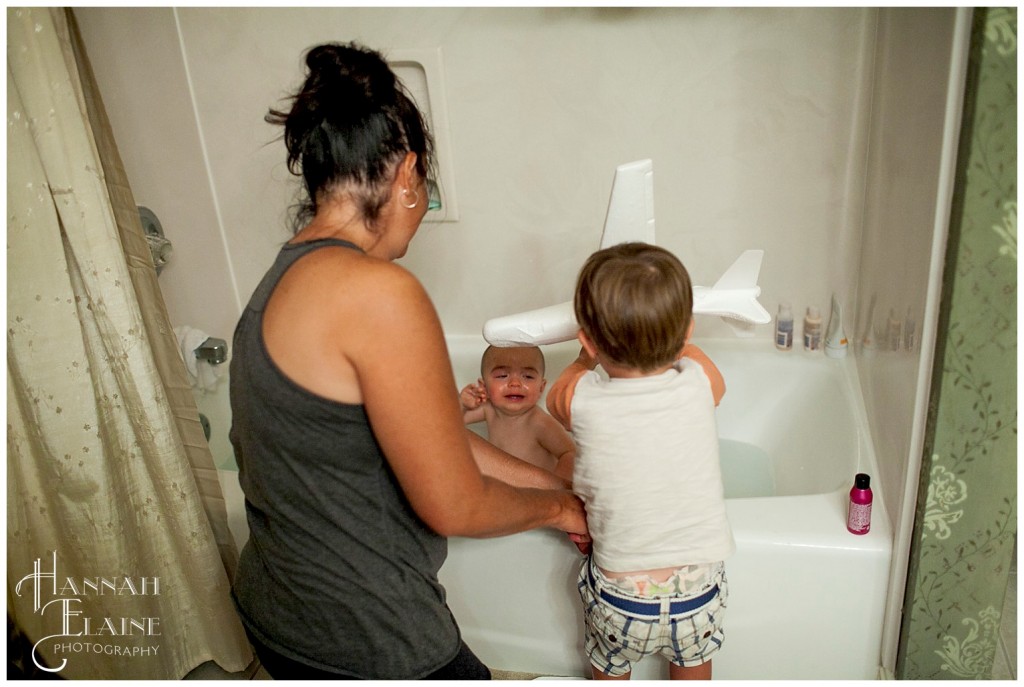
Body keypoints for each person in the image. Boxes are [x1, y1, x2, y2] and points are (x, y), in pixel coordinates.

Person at [228, 42, 588, 681]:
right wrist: (560, 512)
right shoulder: (380, 294)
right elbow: (457, 504)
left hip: (280, 611)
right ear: (409, 176)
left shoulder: (278, 282)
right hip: (370, 637)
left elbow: (431, 441)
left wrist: (564, 489)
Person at [546, 242, 735, 681]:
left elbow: (557, 398)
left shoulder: (583, 399)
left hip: (622, 593)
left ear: (589, 341)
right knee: (694, 662)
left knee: (609, 666)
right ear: (686, 332)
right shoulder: (700, 384)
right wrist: (675, 339)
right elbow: (711, 377)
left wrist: (581, 359)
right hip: (697, 589)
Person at [460, 345, 576, 481]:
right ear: (484, 386)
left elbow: (569, 453)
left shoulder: (539, 422)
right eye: (503, 375)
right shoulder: (489, 409)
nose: (515, 383)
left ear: (541, 388)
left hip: (534, 493)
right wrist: (462, 404)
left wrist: (557, 488)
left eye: (527, 376)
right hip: (501, 489)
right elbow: (449, 422)